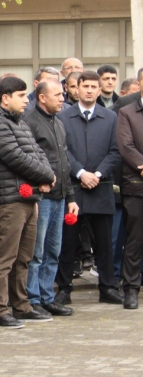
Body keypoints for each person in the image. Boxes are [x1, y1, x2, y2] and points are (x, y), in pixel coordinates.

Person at [0, 76, 56, 328]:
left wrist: (49, 175)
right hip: (9, 200)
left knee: (24, 256)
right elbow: (15, 157)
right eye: (22, 96)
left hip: (27, 197)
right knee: (4, 258)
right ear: (5, 98)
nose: (27, 100)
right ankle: (0, 311)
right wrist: (45, 176)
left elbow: (37, 152)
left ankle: (21, 306)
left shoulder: (18, 121)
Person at [56, 71, 124, 306]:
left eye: (94, 87)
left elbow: (116, 151)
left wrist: (96, 174)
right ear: (77, 88)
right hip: (74, 189)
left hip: (101, 187)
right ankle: (64, 288)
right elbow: (62, 151)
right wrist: (80, 173)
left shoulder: (110, 117)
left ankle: (108, 287)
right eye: (85, 86)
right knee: (68, 242)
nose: (89, 90)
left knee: (105, 243)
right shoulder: (64, 117)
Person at [23, 79, 77, 316]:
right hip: (42, 197)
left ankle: (47, 296)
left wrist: (71, 196)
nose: (62, 98)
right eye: (57, 95)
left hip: (61, 196)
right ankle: (33, 298)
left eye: (62, 94)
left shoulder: (59, 123)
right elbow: (28, 160)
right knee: (37, 251)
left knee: (53, 251)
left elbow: (64, 161)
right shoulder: (30, 123)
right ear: (42, 97)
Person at [116, 92, 143, 309]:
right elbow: (125, 146)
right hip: (137, 186)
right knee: (134, 239)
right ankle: (131, 288)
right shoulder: (127, 112)